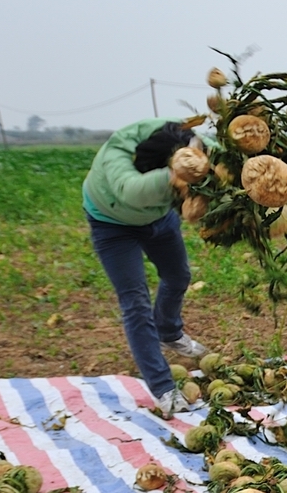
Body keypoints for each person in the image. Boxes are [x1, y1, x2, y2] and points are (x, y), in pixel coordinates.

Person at [81, 119, 211, 415]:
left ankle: (168, 331)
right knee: (135, 302)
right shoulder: (119, 160)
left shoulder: (170, 134)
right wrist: (175, 177)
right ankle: (162, 386)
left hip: (159, 220)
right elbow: (133, 190)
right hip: (112, 225)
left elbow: (205, 149)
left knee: (178, 275)